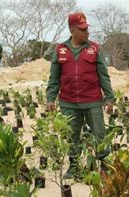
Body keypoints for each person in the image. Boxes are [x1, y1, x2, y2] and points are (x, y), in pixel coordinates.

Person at [46, 12, 114, 179]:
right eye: (82, 29)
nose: (86, 32)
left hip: (92, 100)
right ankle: (74, 166)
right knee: (71, 136)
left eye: (87, 29)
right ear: (72, 29)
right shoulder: (60, 49)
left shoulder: (94, 49)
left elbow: (104, 76)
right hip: (68, 102)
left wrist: (110, 98)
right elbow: (54, 77)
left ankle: (105, 164)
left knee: (99, 134)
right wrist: (50, 98)